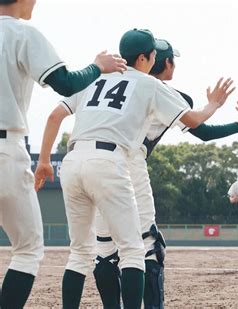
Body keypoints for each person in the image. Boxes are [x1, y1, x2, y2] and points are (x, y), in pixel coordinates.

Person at [33, 28, 234, 308]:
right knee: (132, 251)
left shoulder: (97, 76)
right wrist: (214, 104)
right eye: (153, 54)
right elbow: (196, 121)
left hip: (73, 159)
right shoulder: (150, 85)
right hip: (110, 161)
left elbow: (55, 115)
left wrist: (43, 162)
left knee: (80, 253)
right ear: (145, 58)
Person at [91, 39, 238, 309]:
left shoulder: (115, 82)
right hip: (129, 165)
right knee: (148, 246)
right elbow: (204, 131)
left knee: (105, 249)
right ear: (164, 62)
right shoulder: (164, 92)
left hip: (94, 161)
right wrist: (237, 122)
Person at [0, 0, 126, 307]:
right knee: (28, 250)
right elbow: (65, 83)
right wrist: (97, 66)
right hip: (5, 147)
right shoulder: (21, 33)